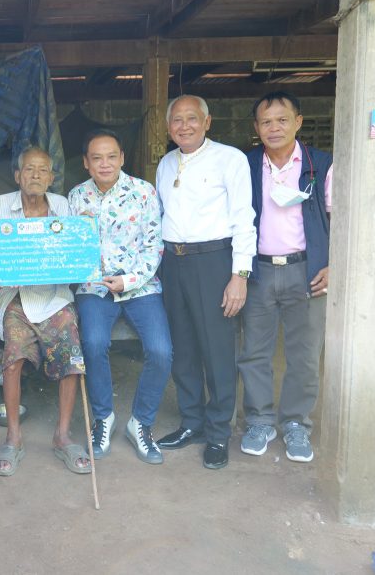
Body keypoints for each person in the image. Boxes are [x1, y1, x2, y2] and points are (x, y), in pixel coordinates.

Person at [155, 95, 256, 470]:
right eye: (177, 120)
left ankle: (217, 432)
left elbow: (244, 218)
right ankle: (192, 422)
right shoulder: (166, 163)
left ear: (207, 122)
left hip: (214, 261)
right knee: (182, 348)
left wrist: (239, 276)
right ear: (169, 127)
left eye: (192, 118)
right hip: (173, 262)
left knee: (217, 350)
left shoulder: (231, 159)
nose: (184, 126)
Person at [69, 129, 173, 465]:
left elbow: (154, 245)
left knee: (161, 351)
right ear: (86, 163)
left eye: (111, 156)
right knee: (93, 343)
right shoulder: (76, 196)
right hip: (94, 287)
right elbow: (70, 247)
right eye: (97, 158)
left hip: (140, 286)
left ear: (122, 158)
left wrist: (128, 280)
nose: (105, 164)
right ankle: (103, 417)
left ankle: (140, 422)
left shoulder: (143, 192)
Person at [0, 147, 89, 476]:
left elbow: (73, 254)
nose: (36, 176)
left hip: (54, 295)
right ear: (18, 176)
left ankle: (62, 436)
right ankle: (13, 438)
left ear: (52, 177)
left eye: (43, 170)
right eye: (29, 169)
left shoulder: (62, 206)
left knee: (71, 352)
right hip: (14, 295)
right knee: (13, 355)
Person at [239, 91, 332, 462]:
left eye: (282, 120)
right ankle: (259, 421)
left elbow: (343, 218)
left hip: (306, 270)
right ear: (256, 127)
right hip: (258, 270)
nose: (274, 128)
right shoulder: (246, 165)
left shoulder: (320, 164)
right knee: (254, 352)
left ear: (298, 122)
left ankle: (295, 423)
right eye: (266, 121)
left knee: (305, 354)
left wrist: (334, 264)